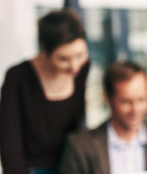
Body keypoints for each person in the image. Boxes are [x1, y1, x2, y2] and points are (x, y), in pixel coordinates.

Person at [58, 61, 147, 173]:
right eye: (126, 101)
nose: (135, 110)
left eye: (141, 100)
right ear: (107, 98)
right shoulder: (80, 147)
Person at [0, 9, 90, 174]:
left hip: (72, 166)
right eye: (63, 59)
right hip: (32, 169)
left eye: (80, 54)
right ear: (44, 50)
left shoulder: (82, 69)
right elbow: (9, 144)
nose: (74, 66)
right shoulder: (17, 77)